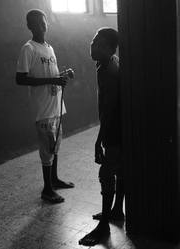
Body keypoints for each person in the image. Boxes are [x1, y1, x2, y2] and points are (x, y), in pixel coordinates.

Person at [16, 9, 74, 204]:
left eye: (44, 22)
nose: (43, 26)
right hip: (43, 109)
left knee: (55, 143)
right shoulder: (28, 48)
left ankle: (54, 180)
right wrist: (53, 80)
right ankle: (47, 190)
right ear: (30, 26)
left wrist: (63, 75)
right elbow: (21, 79)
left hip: (56, 105)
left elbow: (51, 74)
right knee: (46, 149)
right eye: (38, 23)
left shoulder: (49, 47)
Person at [79, 28, 124, 246]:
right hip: (116, 128)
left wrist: (98, 141)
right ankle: (117, 210)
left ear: (108, 48)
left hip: (115, 130)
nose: (91, 44)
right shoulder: (106, 63)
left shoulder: (110, 71)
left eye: (97, 42)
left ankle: (104, 224)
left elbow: (109, 110)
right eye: (93, 39)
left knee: (106, 173)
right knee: (120, 170)